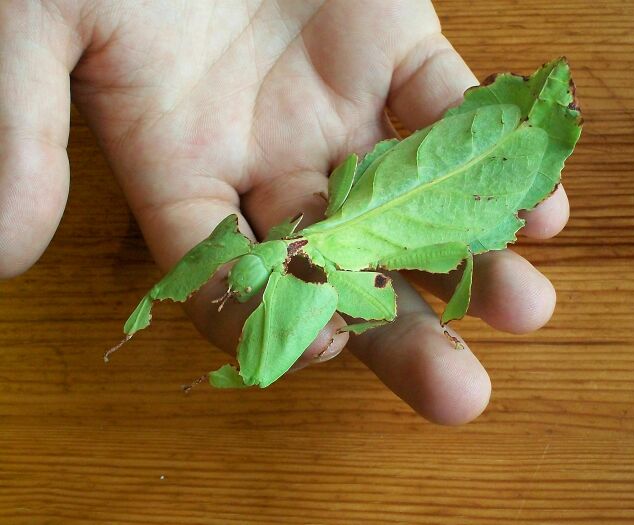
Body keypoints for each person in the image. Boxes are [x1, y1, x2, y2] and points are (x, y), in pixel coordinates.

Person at [0, 1, 569, 425]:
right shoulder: (304, 252)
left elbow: (365, 286)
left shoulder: (313, 252)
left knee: (469, 264)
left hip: (425, 197)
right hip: (379, 212)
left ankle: (534, 117)